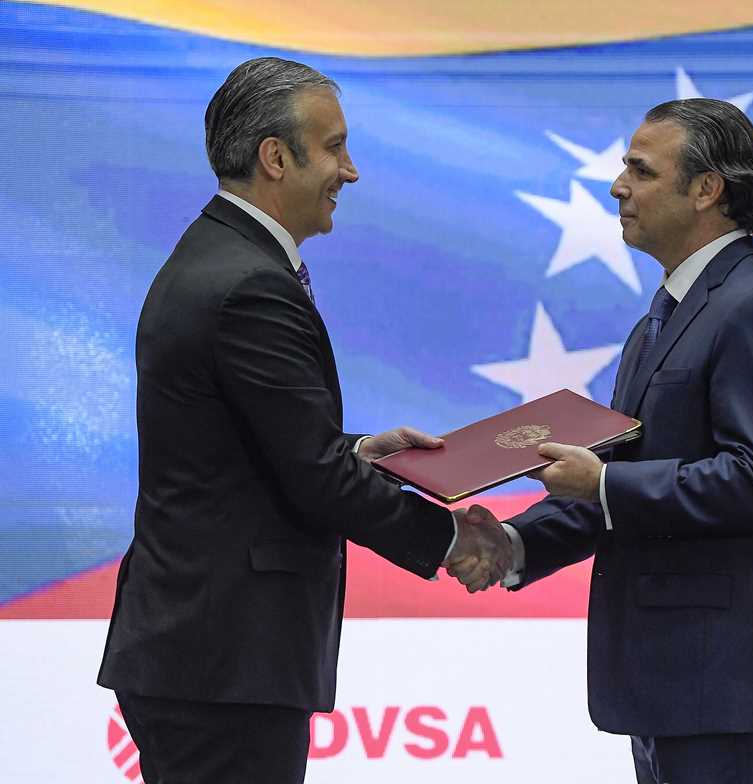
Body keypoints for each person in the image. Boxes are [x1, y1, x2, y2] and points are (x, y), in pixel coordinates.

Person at [97, 57, 510, 783]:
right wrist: (450, 538)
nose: (350, 171)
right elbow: (314, 478)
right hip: (224, 662)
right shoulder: (249, 284)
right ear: (276, 157)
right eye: (334, 148)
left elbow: (260, 442)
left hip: (206, 655)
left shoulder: (221, 257)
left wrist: (359, 449)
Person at [452, 98, 753, 783]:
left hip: (727, 686)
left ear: (707, 189)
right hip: (671, 684)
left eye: (641, 171)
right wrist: (514, 542)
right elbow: (627, 480)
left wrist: (600, 482)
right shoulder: (663, 319)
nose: (617, 187)